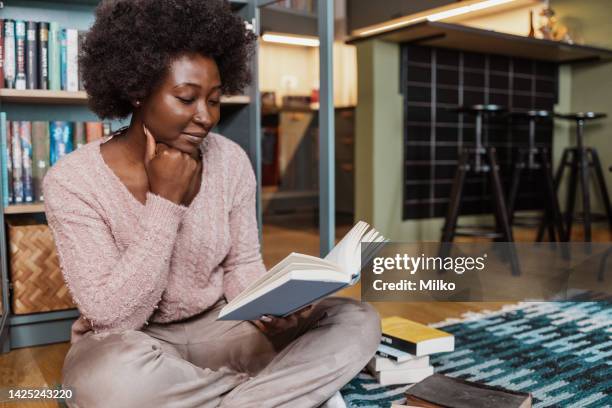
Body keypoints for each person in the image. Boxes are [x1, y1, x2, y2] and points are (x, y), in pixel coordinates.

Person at [42, 1, 381, 407]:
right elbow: (114, 318)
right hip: (134, 345)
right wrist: (165, 202)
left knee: (355, 320)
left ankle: (225, 397)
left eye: (215, 99)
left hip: (224, 329)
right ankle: (276, 394)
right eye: (186, 98)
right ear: (136, 91)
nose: (205, 117)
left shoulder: (230, 160)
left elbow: (241, 265)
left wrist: (270, 307)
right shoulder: (73, 180)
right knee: (103, 382)